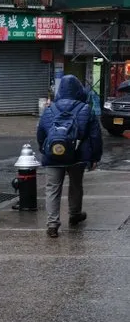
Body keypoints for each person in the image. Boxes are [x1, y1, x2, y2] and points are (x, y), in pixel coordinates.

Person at [37, 74, 102, 238]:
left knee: (52, 189)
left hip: (53, 154)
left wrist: (44, 150)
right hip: (77, 155)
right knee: (75, 185)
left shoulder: (49, 109)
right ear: (78, 90)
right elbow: (95, 136)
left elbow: (41, 133)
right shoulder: (86, 109)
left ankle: (52, 224)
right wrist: (95, 157)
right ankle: (74, 214)